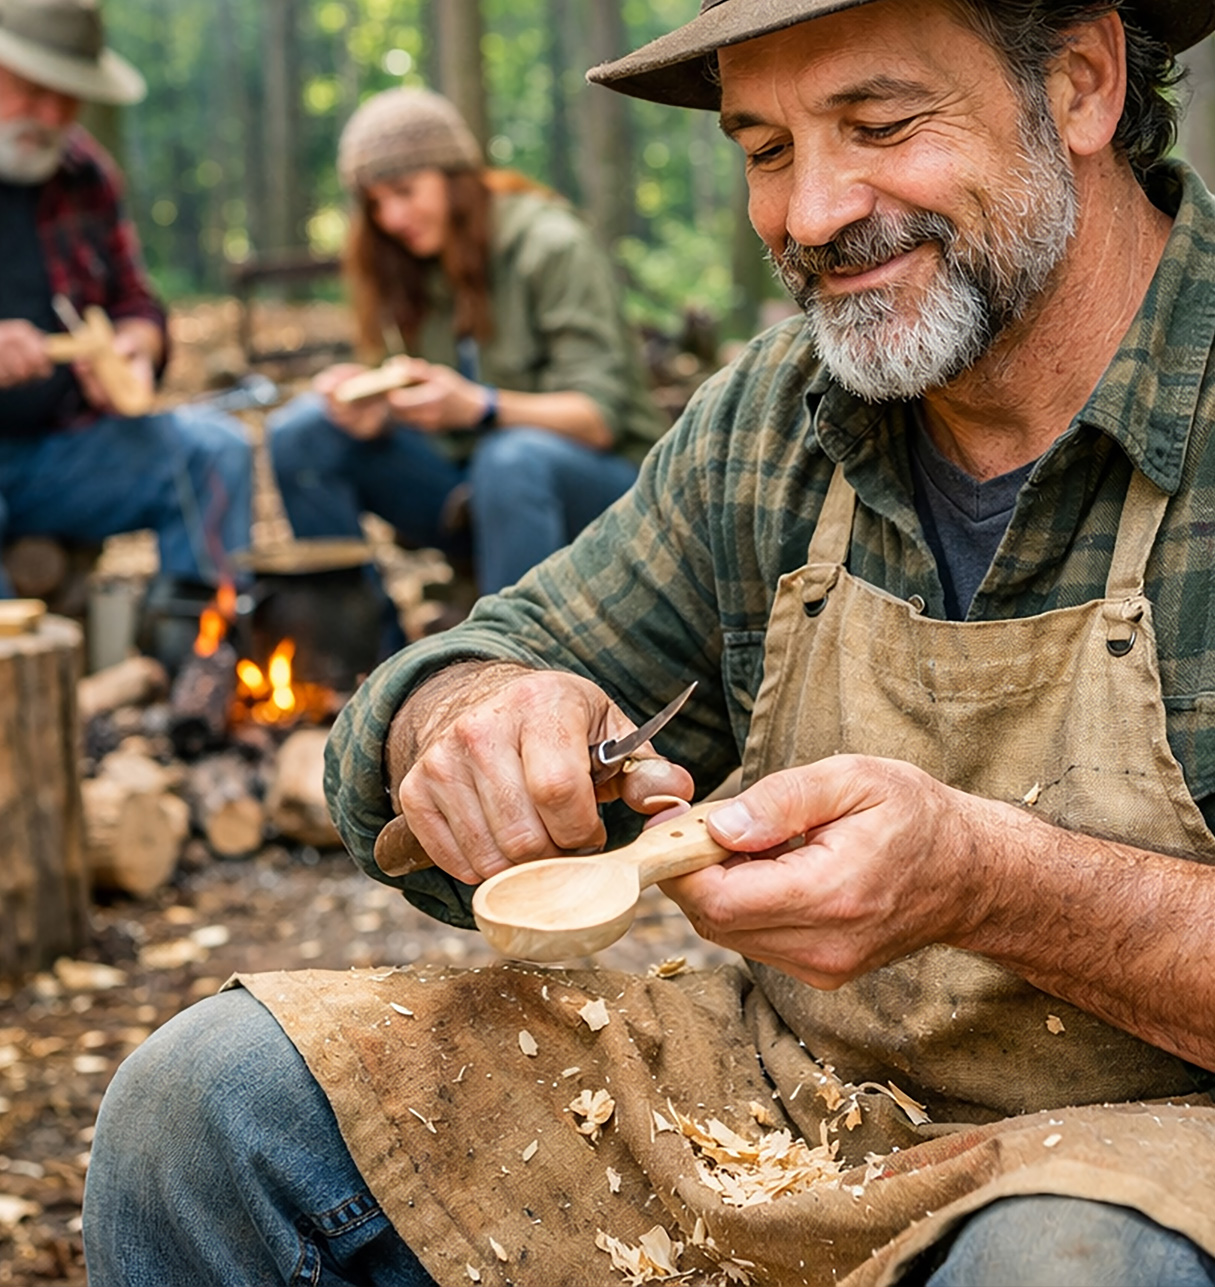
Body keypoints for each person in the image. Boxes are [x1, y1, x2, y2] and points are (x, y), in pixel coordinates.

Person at [83, 1, 1215, 1284]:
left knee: (1057, 1266)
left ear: (1080, 84)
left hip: (1159, 1162)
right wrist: (469, 719)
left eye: (880, 125)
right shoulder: (781, 419)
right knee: (203, 1110)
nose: (811, 214)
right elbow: (481, 659)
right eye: (765, 149)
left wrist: (997, 883)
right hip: (790, 1118)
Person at [268, 86, 667, 623]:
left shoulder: (550, 245)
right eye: (376, 203)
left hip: (601, 494)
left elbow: (596, 419)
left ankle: (505, 666)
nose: (391, 217)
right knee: (302, 432)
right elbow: (444, 417)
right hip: (474, 487)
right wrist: (380, 405)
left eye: (405, 191)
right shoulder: (413, 259)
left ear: (455, 178)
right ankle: (363, 661)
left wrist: (478, 406)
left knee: (511, 458)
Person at [0, 0, 251, 601]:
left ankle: (199, 658)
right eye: (35, 91)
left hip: (64, 454)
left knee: (214, 452)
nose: (53, 114)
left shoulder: (85, 172)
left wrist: (137, 345)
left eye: (69, 97)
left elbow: (136, 302)